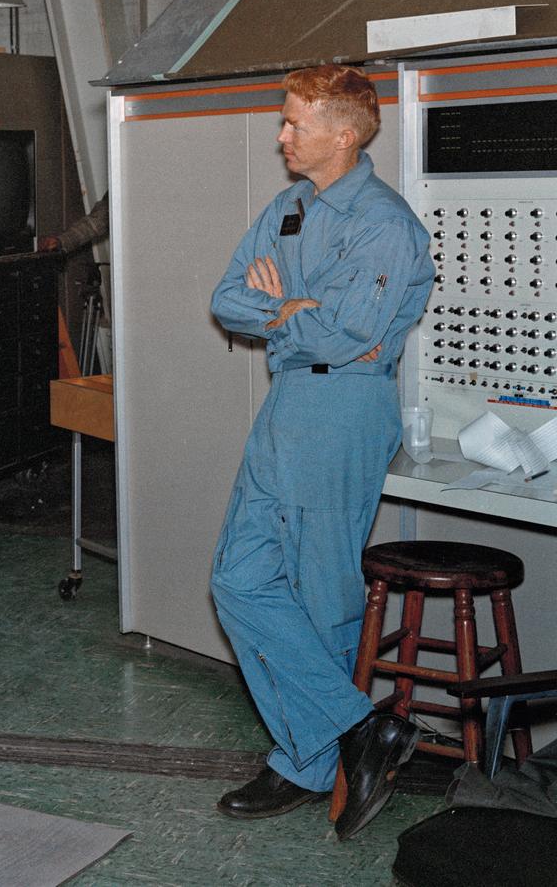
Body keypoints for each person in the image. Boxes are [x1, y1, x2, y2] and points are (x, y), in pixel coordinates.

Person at [208, 64, 434, 840]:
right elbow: (225, 297)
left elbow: (350, 332)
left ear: (344, 134)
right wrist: (287, 306)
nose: (281, 136)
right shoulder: (290, 207)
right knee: (237, 579)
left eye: (294, 124)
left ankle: (305, 763)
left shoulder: (384, 225)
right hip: (290, 402)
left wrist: (278, 307)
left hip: (343, 406)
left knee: (319, 590)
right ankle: (357, 728)